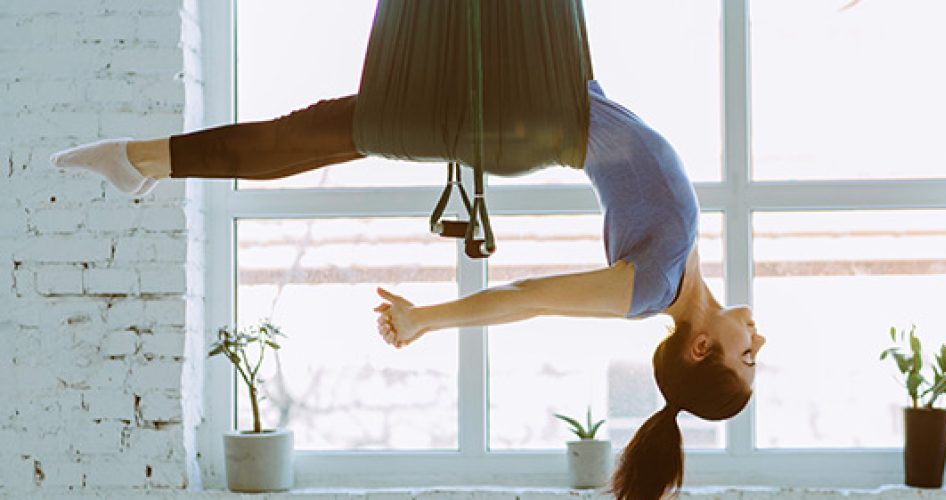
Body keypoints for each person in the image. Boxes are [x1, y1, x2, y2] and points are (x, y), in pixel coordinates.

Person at [51, 79, 766, 500]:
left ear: (702, 348)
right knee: (323, 128)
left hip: (510, 120)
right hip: (540, 92)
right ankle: (142, 163)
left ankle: (139, 161)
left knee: (324, 131)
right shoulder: (681, 265)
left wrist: (426, 318)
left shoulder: (651, 287)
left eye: (748, 355)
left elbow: (527, 296)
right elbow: (616, 132)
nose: (758, 338)